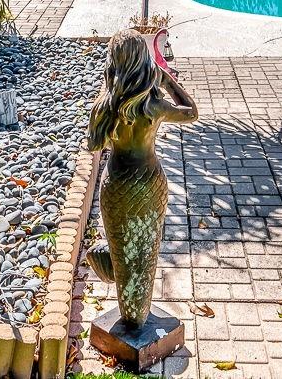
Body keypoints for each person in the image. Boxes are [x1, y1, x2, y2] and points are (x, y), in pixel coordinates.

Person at [85, 30, 199, 330]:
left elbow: (94, 144)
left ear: (113, 63)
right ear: (144, 61)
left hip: (117, 183)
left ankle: (121, 288)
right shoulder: (153, 106)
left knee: (121, 244)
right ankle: (137, 311)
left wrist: (109, 93)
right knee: (147, 248)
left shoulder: (105, 106)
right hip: (150, 182)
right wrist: (167, 80)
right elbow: (191, 112)